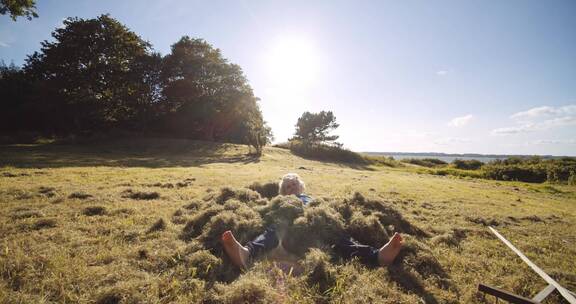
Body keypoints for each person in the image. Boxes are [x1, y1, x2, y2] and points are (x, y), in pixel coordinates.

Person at [221, 173, 404, 270]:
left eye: (294, 185)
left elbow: (324, 210)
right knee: (273, 229)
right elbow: (270, 213)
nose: (291, 188)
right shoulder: (281, 202)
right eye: (287, 187)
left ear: (300, 186)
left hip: (316, 224)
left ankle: (377, 256)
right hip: (290, 228)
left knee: (339, 237)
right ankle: (246, 253)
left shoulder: (309, 198)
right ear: (283, 192)